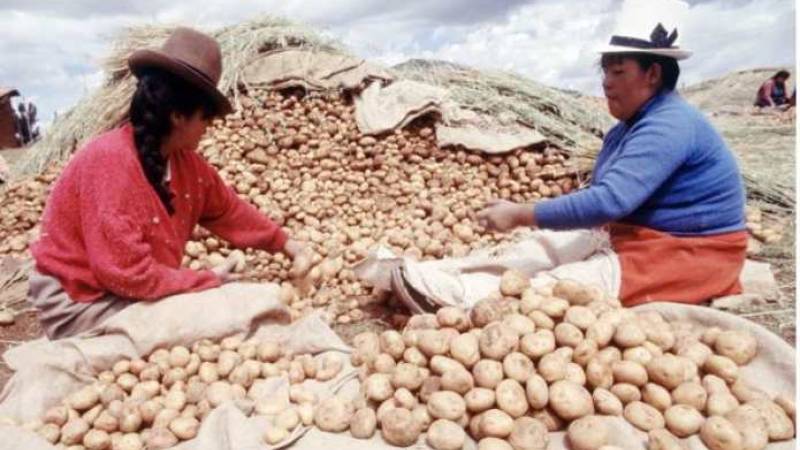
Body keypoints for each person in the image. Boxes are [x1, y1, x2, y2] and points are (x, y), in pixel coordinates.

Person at [391, 0, 747, 310]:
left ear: (653, 73)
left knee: (558, 289)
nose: (606, 82)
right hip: (636, 235)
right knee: (538, 248)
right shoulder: (628, 127)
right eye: (605, 71)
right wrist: (538, 222)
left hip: (690, 254)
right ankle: (449, 276)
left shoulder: (671, 124)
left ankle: (462, 300)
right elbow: (603, 199)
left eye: (618, 71)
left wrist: (520, 214)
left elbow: (609, 200)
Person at [29, 27, 313, 339]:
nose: (209, 128)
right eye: (206, 118)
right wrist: (205, 280)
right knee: (224, 313)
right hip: (81, 299)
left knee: (230, 307)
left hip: (127, 289)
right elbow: (126, 276)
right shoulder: (111, 161)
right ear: (178, 115)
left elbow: (229, 211)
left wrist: (288, 244)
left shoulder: (185, 164)